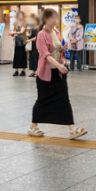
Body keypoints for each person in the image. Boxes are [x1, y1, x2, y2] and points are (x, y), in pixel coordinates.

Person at [28, 8, 87, 139]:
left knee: (64, 100)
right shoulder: (41, 35)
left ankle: (72, 129)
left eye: (56, 17)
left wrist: (63, 48)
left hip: (58, 74)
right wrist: (59, 65)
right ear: (46, 19)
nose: (55, 20)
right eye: (52, 18)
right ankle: (33, 126)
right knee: (42, 101)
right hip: (46, 73)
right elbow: (45, 54)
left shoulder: (56, 32)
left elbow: (58, 49)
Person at [10, 11, 28, 76]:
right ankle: (16, 70)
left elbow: (22, 31)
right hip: (17, 41)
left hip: (23, 41)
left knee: (23, 56)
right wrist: (12, 32)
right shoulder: (15, 22)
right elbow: (12, 29)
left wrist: (14, 33)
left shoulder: (24, 23)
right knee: (16, 55)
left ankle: (23, 71)